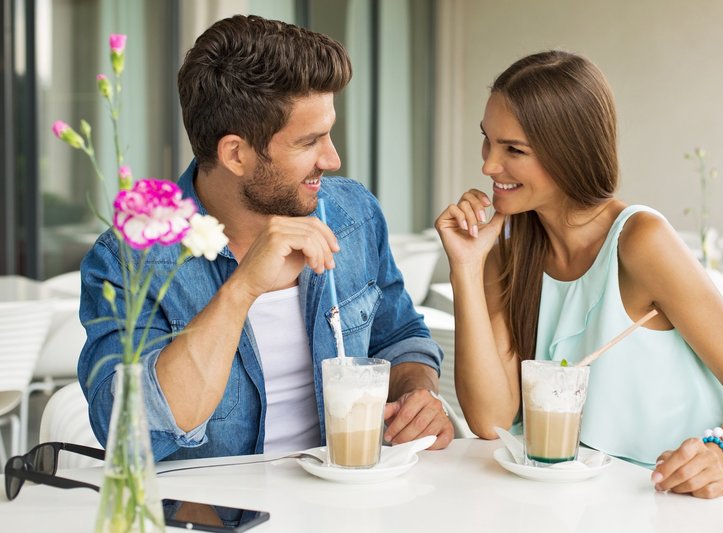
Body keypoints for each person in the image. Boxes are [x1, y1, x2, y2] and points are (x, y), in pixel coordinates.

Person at [78, 15, 453, 462]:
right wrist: (243, 288)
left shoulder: (353, 213)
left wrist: (419, 394)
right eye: (308, 141)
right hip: (216, 517)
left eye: (328, 133)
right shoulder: (131, 256)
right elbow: (133, 432)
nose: (332, 159)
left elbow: (399, 336)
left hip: (349, 500)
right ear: (236, 153)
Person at [435, 50, 723, 518]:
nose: (488, 166)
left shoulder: (640, 241)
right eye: (488, 142)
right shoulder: (507, 249)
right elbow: (490, 421)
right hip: (591, 499)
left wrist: (720, 452)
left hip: (699, 494)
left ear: (569, 153)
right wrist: (465, 266)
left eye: (513, 150)